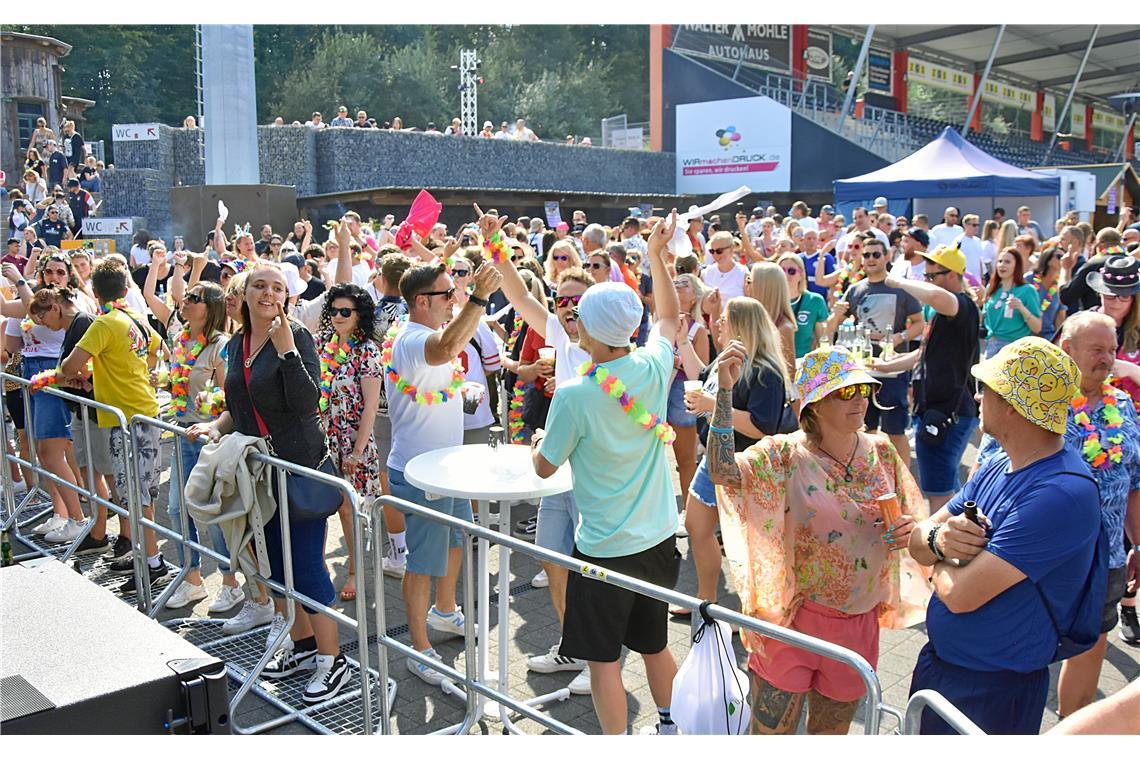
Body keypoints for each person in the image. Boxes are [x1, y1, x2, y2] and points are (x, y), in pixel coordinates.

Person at [709, 344, 928, 735]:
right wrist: (723, 396)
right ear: (812, 404)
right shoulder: (783, 454)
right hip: (793, 620)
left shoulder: (881, 451)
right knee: (770, 738)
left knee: (830, 738)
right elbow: (723, 472)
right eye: (845, 391)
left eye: (864, 389)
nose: (859, 399)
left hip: (857, 625)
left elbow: (912, 519)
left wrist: (909, 532)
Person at [532, 212, 682, 735]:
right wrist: (658, 257)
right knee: (655, 644)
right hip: (659, 538)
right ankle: (668, 727)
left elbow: (545, 466)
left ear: (587, 328)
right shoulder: (654, 367)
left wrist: (538, 444)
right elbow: (668, 321)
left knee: (604, 660)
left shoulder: (575, 394)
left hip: (604, 550)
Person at [905, 337, 1100, 735]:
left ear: (1013, 406)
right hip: (943, 669)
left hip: (992, 692)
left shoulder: (1062, 494)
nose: (977, 398)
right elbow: (917, 538)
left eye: (985, 389)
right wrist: (940, 542)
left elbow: (960, 595)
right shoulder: (999, 462)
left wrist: (935, 552)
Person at [186, 260, 350, 703]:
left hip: (297, 469)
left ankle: (333, 660)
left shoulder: (296, 336)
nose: (268, 294)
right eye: (260, 285)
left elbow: (306, 402)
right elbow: (239, 403)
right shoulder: (237, 343)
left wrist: (287, 352)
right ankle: (302, 647)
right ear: (243, 295)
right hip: (259, 472)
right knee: (275, 565)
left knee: (308, 568)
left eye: (277, 288)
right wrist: (217, 426)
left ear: (286, 297)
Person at [384, 250, 502, 684]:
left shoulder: (425, 331)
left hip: (446, 468)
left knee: (455, 543)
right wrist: (479, 297)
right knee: (422, 563)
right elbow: (448, 345)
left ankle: (445, 611)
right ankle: (419, 648)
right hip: (419, 474)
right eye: (446, 294)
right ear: (420, 301)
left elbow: (450, 348)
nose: (453, 298)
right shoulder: (413, 339)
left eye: (455, 292)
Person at [1051, 312, 1140, 718]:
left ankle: (1071, 736)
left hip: (1107, 561)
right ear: (1067, 351)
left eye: (1112, 349)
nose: (1107, 358)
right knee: (1028, 649)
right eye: (1097, 350)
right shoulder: (1041, 402)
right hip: (1048, 557)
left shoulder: (1122, 403)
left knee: (1091, 646)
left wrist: (1138, 542)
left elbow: (1134, 481)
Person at [679, 297, 791, 613]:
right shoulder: (723, 360)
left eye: (725, 318)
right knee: (696, 526)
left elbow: (761, 426)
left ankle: (757, 611)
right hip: (713, 459)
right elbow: (701, 377)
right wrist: (680, 340)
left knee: (749, 544)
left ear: (742, 325)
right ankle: (705, 599)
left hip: (746, 467)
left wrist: (713, 404)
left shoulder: (764, 371)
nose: (717, 322)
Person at [60, 260, 164, 593]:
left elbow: (68, 366)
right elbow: (155, 351)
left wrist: (85, 371)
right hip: (144, 411)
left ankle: (152, 563)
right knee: (142, 493)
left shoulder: (105, 324)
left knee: (135, 494)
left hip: (127, 418)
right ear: (126, 288)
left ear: (94, 291)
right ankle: (148, 558)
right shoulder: (136, 319)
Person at [874, 245, 980, 511]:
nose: (928, 281)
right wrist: (887, 366)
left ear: (954, 275)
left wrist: (897, 280)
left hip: (946, 411)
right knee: (946, 486)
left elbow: (934, 296)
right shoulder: (945, 313)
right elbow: (923, 355)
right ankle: (954, 542)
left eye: (934, 275)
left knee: (939, 491)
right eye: (927, 275)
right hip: (936, 409)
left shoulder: (961, 305)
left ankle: (939, 550)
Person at [160, 280, 242, 611]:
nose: (185, 302)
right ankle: (192, 579)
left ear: (211, 307)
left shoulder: (219, 346)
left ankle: (230, 582)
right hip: (182, 432)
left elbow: (230, 399)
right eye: (186, 296)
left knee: (213, 514)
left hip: (209, 439)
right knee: (177, 510)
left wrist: (211, 401)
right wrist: (165, 381)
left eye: (194, 298)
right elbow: (182, 383)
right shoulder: (182, 340)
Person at [316, 282, 382, 604]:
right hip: (324, 439)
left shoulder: (367, 350)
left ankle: (356, 571)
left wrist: (357, 452)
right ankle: (317, 567)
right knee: (321, 505)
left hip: (353, 442)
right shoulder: (324, 345)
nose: (338, 316)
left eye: (346, 311)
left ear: (360, 315)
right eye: (334, 310)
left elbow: (370, 408)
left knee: (348, 509)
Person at [840, 236, 925, 465]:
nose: (870, 259)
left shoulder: (901, 288)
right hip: (863, 369)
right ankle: (870, 475)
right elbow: (841, 322)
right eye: (866, 255)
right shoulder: (855, 290)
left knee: (896, 430)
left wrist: (900, 337)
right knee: (865, 429)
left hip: (893, 370)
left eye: (876, 254)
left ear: (887, 257)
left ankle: (905, 480)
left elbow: (919, 322)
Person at [668, 272, 709, 507]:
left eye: (683, 285)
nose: (677, 287)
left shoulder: (698, 331)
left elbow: (703, 374)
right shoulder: (661, 324)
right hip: (660, 391)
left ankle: (691, 511)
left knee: (685, 460)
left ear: (694, 296)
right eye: (673, 284)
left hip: (681, 395)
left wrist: (678, 360)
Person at [981, 247, 1042, 358]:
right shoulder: (991, 288)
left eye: (1007, 262)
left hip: (1015, 349)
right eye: (1000, 261)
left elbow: (1037, 327)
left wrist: (1021, 308)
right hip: (991, 345)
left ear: (1017, 265)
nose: (1002, 265)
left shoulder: (1027, 290)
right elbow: (984, 318)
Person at [778, 253, 831, 358]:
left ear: (801, 274)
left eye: (791, 271)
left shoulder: (815, 301)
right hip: (774, 367)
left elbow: (823, 340)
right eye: (781, 270)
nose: (786, 275)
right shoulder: (769, 300)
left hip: (803, 365)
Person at [1026, 247, 1067, 339]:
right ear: (1048, 259)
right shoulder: (1029, 279)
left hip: (1047, 336)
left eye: (1065, 257)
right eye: (1059, 256)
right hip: (1025, 333)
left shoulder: (1060, 285)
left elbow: (1060, 317)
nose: (1063, 259)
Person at [702, 231, 748, 301]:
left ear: (731, 249)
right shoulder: (705, 273)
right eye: (712, 251)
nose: (715, 255)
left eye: (719, 251)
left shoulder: (744, 273)